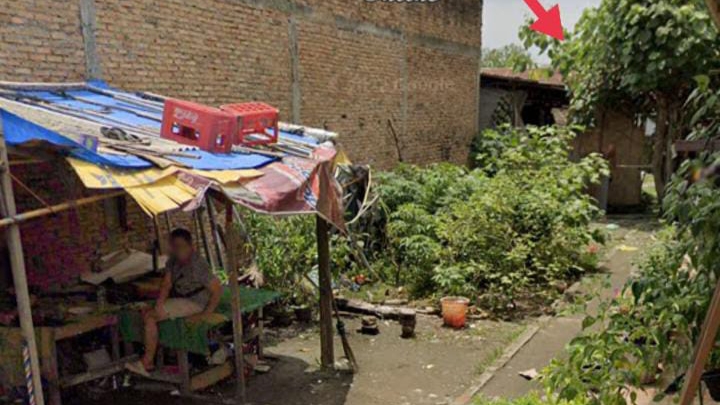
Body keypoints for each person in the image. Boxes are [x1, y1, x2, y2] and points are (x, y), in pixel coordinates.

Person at [126, 228, 222, 377]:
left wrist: (206, 313)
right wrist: (159, 304)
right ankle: (153, 357)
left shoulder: (198, 264)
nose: (177, 250)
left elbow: (217, 290)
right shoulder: (172, 261)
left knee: (151, 317)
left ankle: (147, 362)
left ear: (191, 246)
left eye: (181, 246)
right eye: (174, 246)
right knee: (147, 312)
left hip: (195, 302)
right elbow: (167, 284)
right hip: (180, 298)